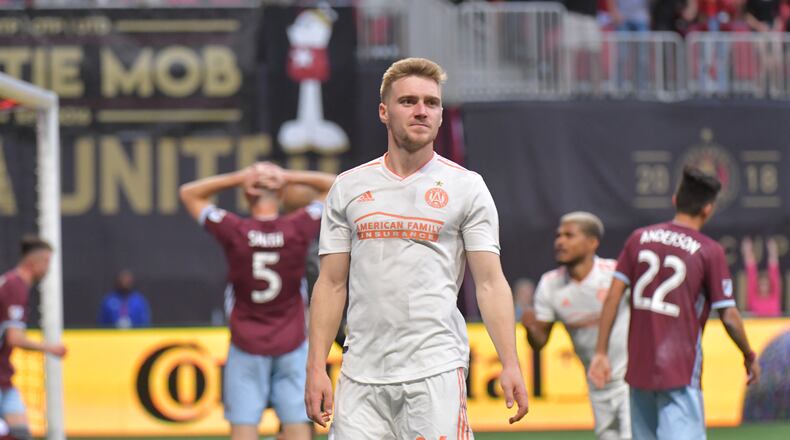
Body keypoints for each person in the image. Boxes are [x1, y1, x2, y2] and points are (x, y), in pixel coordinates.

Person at [305, 57, 529, 439]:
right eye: (408, 101)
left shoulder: (467, 187)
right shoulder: (348, 186)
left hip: (435, 371)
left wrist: (511, 362)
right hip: (360, 374)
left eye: (432, 102)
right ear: (383, 111)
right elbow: (330, 284)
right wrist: (315, 367)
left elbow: (490, 283)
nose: (422, 111)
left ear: (441, 115)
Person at [589, 166, 761, 440]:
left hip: (639, 369)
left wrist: (600, 351)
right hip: (680, 371)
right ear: (708, 209)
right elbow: (728, 315)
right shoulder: (709, 250)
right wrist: (748, 355)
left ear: (674, 200)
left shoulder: (638, 239)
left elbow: (613, 295)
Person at [179, 162, 335, 440]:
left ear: (247, 194)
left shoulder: (234, 229)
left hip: (246, 345)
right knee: (299, 427)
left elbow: (189, 193)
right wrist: (285, 177)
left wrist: (239, 177)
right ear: (281, 193)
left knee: (243, 428)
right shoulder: (297, 227)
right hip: (292, 343)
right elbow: (336, 184)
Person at [523, 212, 631, 440]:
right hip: (597, 384)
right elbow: (539, 343)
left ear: (592, 243)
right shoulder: (550, 284)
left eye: (569, 235)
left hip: (631, 381)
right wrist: (530, 328)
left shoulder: (615, 273)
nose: (560, 241)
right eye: (558, 235)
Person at [0, 236, 67, 440]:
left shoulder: (10, 282)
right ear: (34, 262)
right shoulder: (15, 286)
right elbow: (14, 338)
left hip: (3, 375)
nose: (48, 268)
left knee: (21, 434)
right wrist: (50, 348)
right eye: (47, 262)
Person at [741, 236, 782, 317]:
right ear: (757, 285)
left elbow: (774, 271)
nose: (763, 287)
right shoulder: (753, 297)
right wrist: (747, 250)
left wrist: (773, 250)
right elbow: (751, 272)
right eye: (761, 284)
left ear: (770, 285)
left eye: (766, 284)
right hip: (758, 329)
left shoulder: (774, 296)